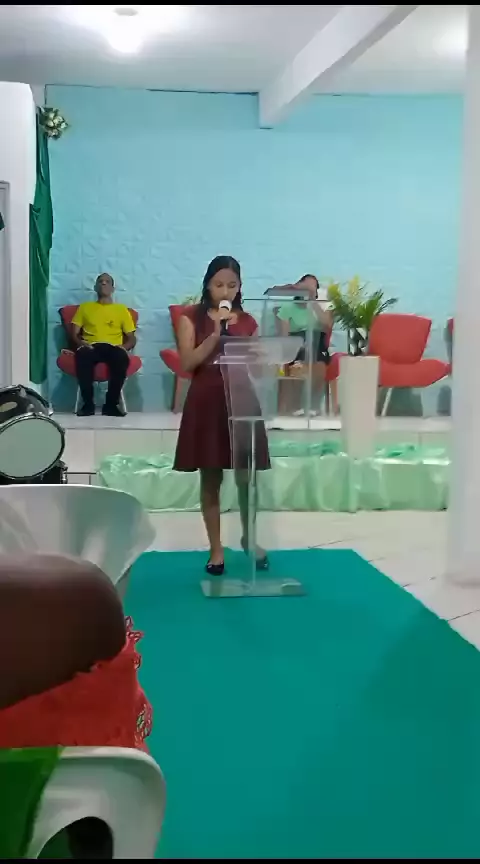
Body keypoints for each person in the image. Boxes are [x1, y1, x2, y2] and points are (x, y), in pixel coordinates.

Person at [173, 256, 270, 575]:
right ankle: (216, 549)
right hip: (207, 400)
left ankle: (249, 537)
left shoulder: (249, 321)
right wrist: (215, 335)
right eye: (218, 284)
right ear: (207, 285)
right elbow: (187, 363)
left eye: (232, 285)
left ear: (240, 287)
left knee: (246, 477)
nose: (225, 291)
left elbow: (257, 370)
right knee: (211, 476)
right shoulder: (190, 317)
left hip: (242, 400)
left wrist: (261, 357)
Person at [71, 273, 136, 417]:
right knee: (82, 356)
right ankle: (88, 405)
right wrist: (81, 343)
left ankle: (111, 405)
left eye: (107, 282)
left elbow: (132, 338)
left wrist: (124, 348)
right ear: (95, 287)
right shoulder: (85, 308)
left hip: (113, 348)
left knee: (121, 358)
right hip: (91, 346)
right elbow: (74, 333)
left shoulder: (121, 310)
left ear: (113, 288)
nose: (104, 283)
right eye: (100, 281)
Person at [276, 274, 337, 415]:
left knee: (319, 362)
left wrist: (313, 302)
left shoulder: (322, 305)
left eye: (312, 288)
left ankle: (313, 406)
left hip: (317, 341)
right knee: (297, 365)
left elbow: (328, 324)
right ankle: (295, 408)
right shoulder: (287, 307)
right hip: (297, 342)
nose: (308, 291)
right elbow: (284, 335)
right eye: (306, 287)